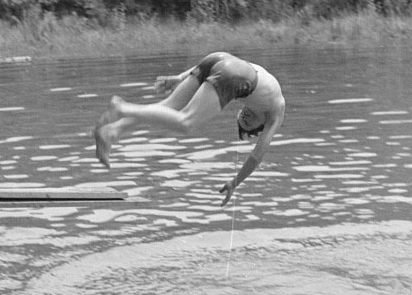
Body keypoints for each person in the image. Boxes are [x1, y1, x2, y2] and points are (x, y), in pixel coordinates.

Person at [93, 51, 285, 206]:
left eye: (245, 120)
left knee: (168, 107)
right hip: (229, 69)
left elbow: (228, 63)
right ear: (261, 126)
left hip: (217, 59)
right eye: (246, 117)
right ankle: (122, 107)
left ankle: (112, 131)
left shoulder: (263, 97)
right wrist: (235, 184)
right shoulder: (276, 110)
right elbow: (257, 156)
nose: (246, 116)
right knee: (186, 123)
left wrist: (180, 78)